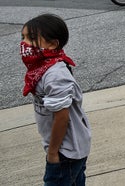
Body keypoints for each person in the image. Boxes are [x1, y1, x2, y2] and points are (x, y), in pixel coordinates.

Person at [20, 13, 91, 185]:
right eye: (23, 37)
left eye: (31, 38)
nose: (24, 44)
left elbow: (62, 117)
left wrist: (53, 153)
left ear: (52, 43)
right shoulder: (43, 68)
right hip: (69, 147)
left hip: (65, 151)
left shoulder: (55, 75)